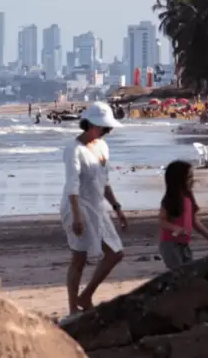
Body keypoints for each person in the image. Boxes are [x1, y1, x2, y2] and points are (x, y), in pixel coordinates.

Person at [60, 102, 127, 317]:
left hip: (97, 206)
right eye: (102, 127)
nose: (105, 132)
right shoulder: (73, 150)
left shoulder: (102, 147)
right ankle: (72, 310)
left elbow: (104, 182)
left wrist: (117, 207)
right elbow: (72, 184)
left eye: (107, 129)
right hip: (76, 205)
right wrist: (77, 216)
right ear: (89, 124)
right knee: (78, 258)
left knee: (115, 253)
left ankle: (86, 295)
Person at [159, 160, 208, 269]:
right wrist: (175, 228)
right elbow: (162, 221)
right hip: (170, 245)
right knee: (180, 274)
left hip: (184, 244)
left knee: (189, 271)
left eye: (192, 176)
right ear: (177, 180)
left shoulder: (188, 197)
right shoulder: (170, 200)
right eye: (188, 177)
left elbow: (194, 221)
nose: (192, 180)